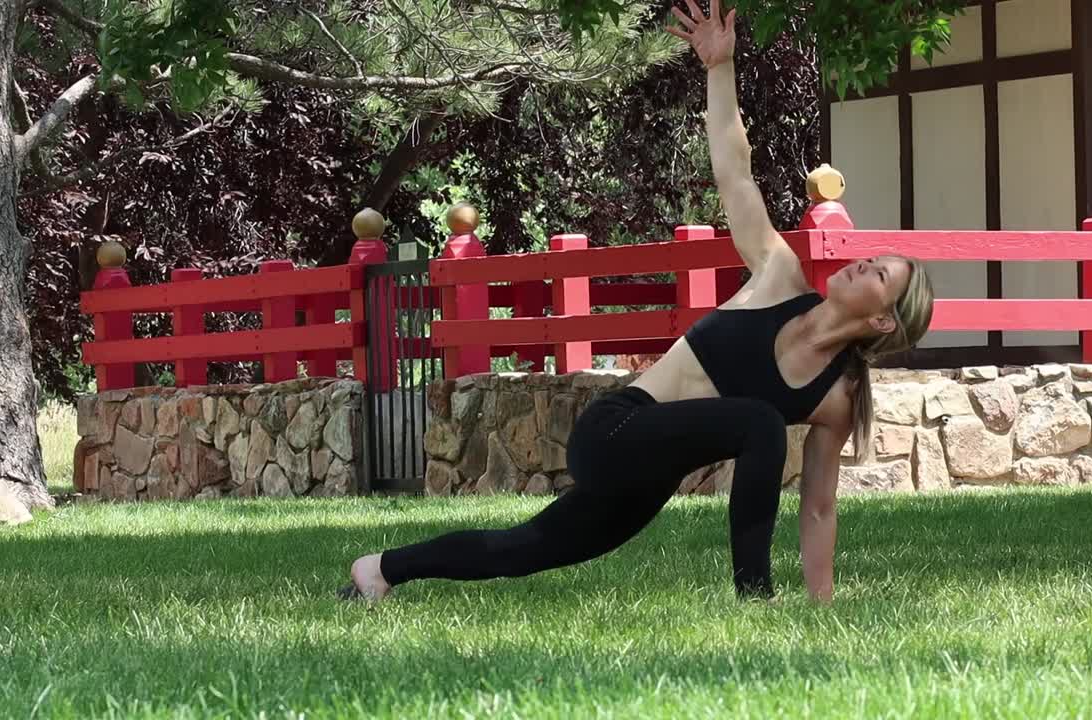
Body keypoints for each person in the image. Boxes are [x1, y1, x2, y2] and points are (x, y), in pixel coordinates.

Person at [337, 0, 935, 605]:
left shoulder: (838, 397)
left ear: (882, 318)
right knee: (759, 420)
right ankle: (755, 598)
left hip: (648, 480)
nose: (864, 263)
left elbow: (819, 506)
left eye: (880, 275)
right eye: (873, 258)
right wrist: (719, 69)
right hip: (615, 431)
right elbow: (736, 175)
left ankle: (379, 570)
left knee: (525, 549)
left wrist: (823, 605)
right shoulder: (780, 275)